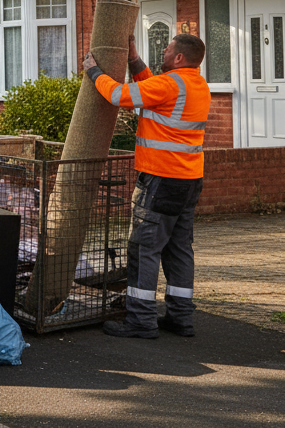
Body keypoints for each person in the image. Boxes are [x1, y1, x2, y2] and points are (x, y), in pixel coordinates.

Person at [81, 32, 210, 339]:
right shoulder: (195, 84)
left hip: (160, 180)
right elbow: (149, 88)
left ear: (178, 57)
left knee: (144, 248)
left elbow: (119, 95)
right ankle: (180, 317)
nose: (163, 52)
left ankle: (140, 319)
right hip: (189, 180)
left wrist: (93, 71)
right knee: (179, 249)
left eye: (167, 49)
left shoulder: (169, 85)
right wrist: (133, 57)